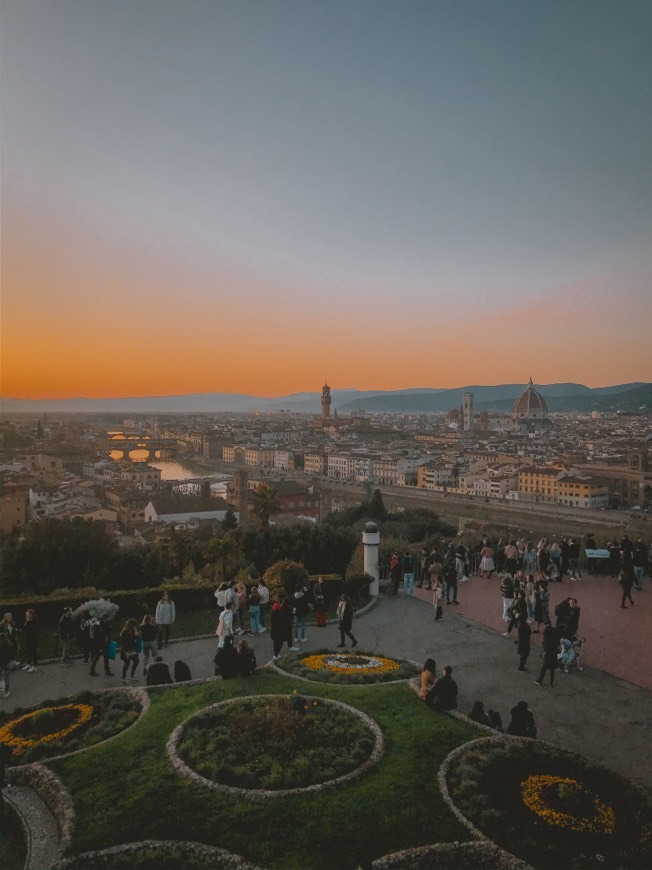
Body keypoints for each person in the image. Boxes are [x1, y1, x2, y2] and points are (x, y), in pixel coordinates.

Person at [119, 619, 140, 683]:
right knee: (127, 663)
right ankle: (123, 677)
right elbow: (135, 636)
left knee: (136, 661)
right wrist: (135, 632)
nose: (134, 626)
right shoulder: (125, 631)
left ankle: (131, 676)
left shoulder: (130, 630)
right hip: (127, 650)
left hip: (131, 649)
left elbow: (136, 637)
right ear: (131, 625)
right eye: (133, 625)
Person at [0, 632, 13, 698]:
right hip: (7, 662)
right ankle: (6, 691)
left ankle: (1, 685)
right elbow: (11, 653)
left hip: (1, 663)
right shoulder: (8, 644)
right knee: (6, 677)